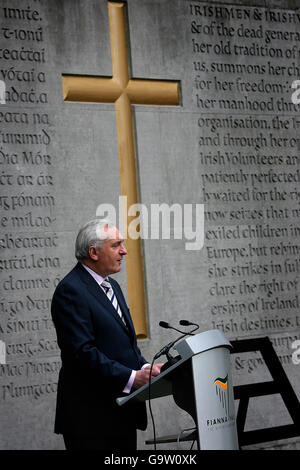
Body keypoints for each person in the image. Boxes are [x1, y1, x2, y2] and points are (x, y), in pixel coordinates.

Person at [51, 218, 163, 450]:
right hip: (90, 418)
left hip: (121, 409)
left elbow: (121, 343)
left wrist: (143, 368)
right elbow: (82, 353)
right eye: (116, 245)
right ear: (93, 252)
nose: (124, 250)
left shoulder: (112, 286)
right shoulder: (70, 291)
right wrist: (131, 378)